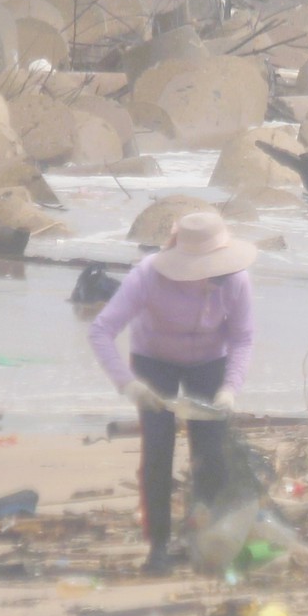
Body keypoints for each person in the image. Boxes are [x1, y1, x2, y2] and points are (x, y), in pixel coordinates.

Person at [88, 210, 258, 571]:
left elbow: (242, 338)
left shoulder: (236, 280)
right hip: (154, 362)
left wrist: (230, 388)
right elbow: (101, 330)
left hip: (209, 362)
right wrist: (129, 385)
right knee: (157, 450)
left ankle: (203, 537)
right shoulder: (148, 276)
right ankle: (159, 545)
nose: (218, 276)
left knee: (211, 454)